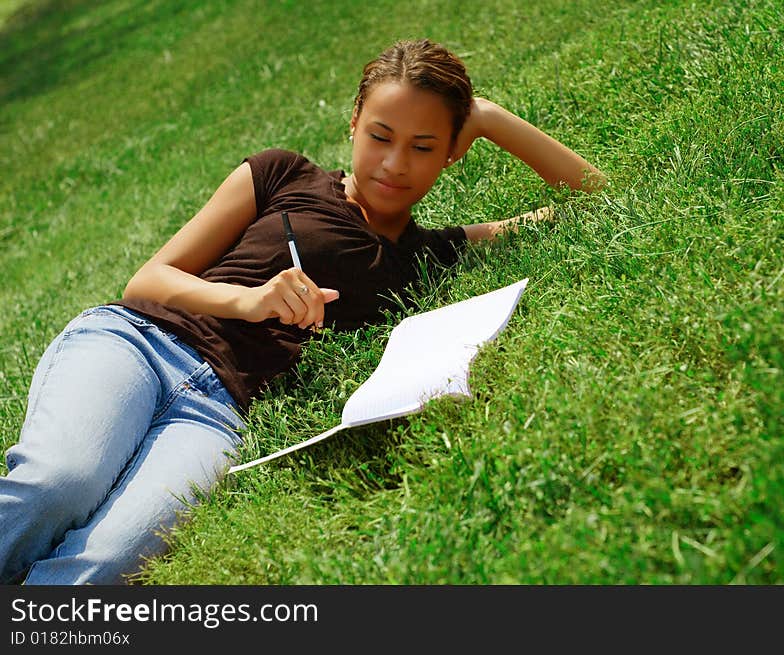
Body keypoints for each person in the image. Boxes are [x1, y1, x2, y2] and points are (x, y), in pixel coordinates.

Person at [0, 39, 605, 585]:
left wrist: (489, 117)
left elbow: (586, 195)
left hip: (220, 411)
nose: (395, 163)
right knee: (59, 484)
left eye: (424, 146)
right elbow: (147, 281)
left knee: (109, 559)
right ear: (353, 125)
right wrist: (251, 299)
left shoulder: (425, 254)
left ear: (451, 152)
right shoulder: (284, 173)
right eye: (380, 136)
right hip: (138, 344)